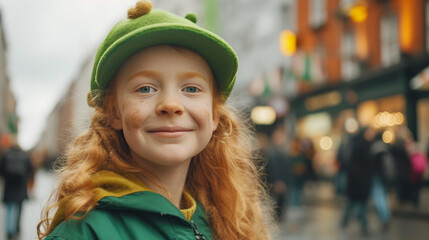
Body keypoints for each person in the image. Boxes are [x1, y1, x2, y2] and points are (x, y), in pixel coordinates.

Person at [37, 1, 272, 239]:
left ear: (213, 115)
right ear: (114, 112)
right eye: (145, 89)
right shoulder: (84, 231)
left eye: (191, 88)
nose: (171, 105)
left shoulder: (224, 220)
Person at [341, 127, 376, 236]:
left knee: (356, 203)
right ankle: (362, 225)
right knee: (356, 203)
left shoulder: (362, 144)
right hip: (358, 181)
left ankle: (349, 222)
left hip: (359, 181)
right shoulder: (360, 146)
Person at [0, 138, 34, 240]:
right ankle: (17, 227)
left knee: (10, 207)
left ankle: (9, 229)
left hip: (9, 187)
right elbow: (30, 169)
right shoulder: (24, 156)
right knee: (19, 207)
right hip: (21, 187)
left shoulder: (7, 155)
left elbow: (1, 169)